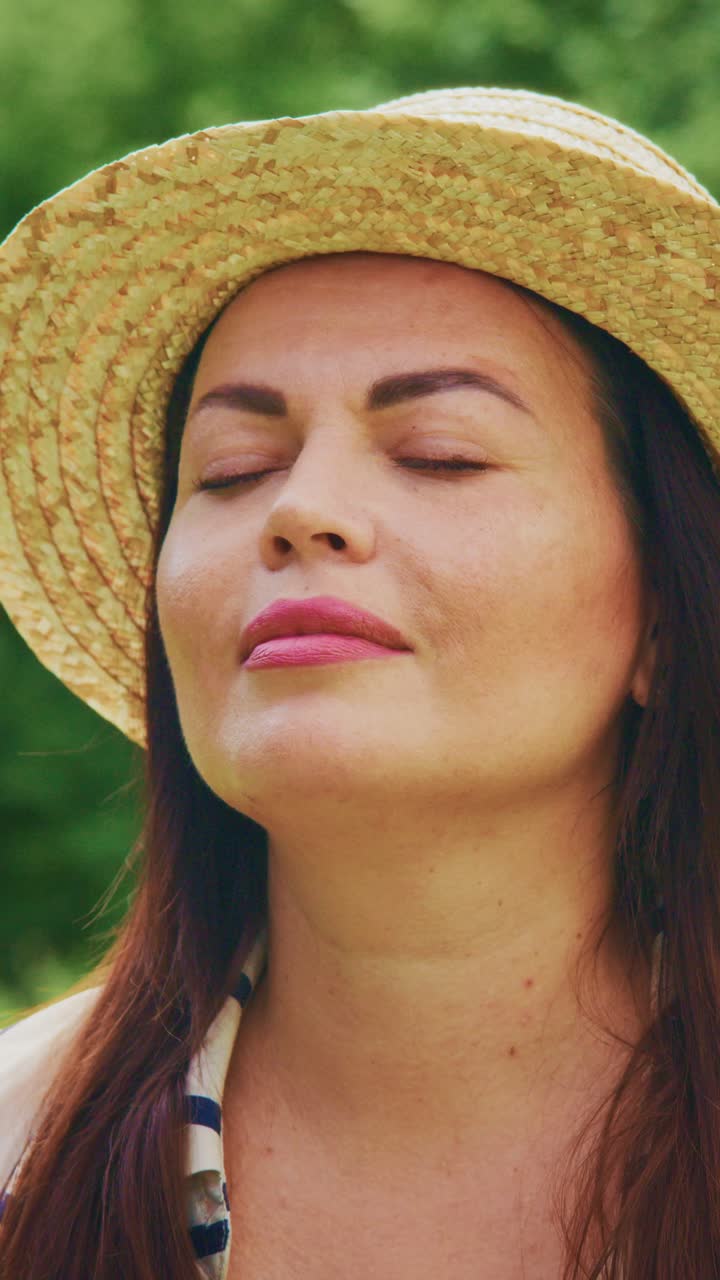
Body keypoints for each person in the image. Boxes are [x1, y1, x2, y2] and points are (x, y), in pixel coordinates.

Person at [0, 86, 718, 1280]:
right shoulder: (22, 1168)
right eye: (232, 470)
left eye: (440, 452)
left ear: (664, 617)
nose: (302, 510)